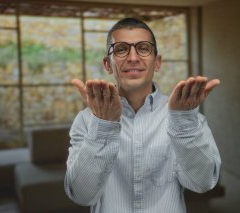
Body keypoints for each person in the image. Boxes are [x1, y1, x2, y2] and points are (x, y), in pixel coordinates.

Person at [64, 17, 221, 213]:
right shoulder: (88, 120)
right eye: (121, 49)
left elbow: (202, 183)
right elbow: (81, 195)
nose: (133, 57)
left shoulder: (185, 116)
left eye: (144, 48)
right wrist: (103, 125)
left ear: (157, 62)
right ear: (108, 64)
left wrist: (184, 123)